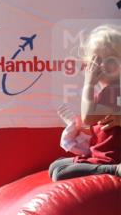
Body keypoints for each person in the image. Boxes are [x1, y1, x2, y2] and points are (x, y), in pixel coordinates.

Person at [48, 24, 121, 181]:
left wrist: (89, 84)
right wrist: (76, 126)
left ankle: (114, 169)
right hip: (98, 154)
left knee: (59, 172)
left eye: (110, 60)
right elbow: (99, 128)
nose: (101, 66)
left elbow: (89, 116)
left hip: (110, 157)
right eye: (97, 60)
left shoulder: (115, 90)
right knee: (55, 165)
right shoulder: (107, 91)